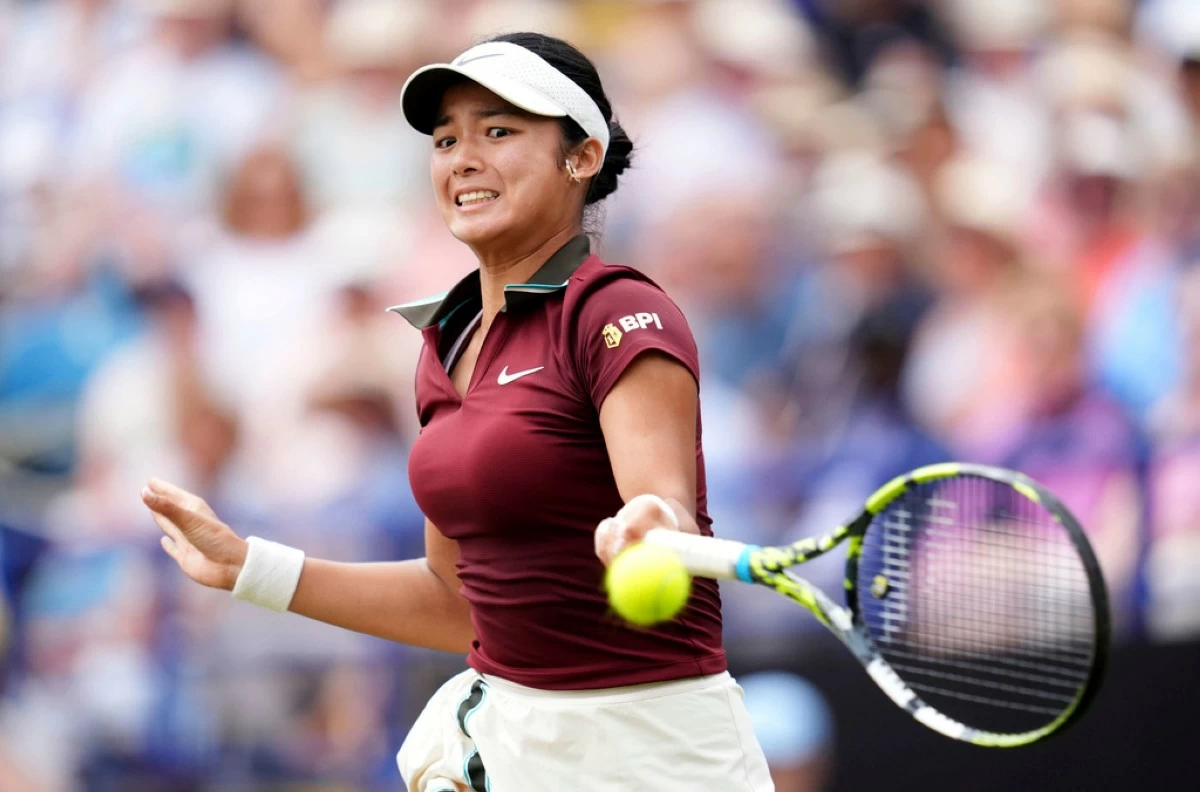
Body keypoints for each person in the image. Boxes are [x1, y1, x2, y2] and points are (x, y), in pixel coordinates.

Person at [140, 31, 774, 791]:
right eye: (446, 139)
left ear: (582, 157)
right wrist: (251, 565)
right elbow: (458, 602)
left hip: (649, 752)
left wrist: (652, 523)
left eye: (498, 131)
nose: (463, 158)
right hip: (510, 744)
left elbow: (661, 496)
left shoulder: (619, 309)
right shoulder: (445, 341)